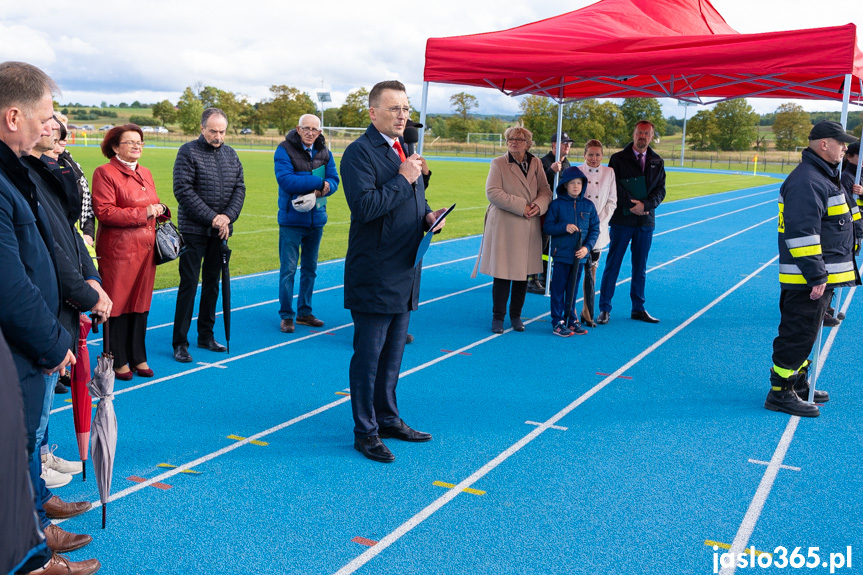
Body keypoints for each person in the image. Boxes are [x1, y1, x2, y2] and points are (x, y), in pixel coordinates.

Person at [0, 60, 100, 575]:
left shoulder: (18, 170)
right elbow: (8, 281)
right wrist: (51, 341)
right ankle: (31, 560)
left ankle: (35, 542)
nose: (51, 127)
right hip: (19, 346)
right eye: (45, 117)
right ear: (14, 116)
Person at [340, 80, 447, 463]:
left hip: (406, 268)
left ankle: (387, 418)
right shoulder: (358, 154)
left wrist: (429, 216)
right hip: (376, 271)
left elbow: (413, 199)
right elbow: (366, 208)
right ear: (372, 113)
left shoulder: (406, 150)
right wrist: (404, 177)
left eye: (405, 109)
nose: (403, 115)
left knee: (393, 355)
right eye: (394, 109)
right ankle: (365, 431)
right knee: (369, 358)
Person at [766, 121, 860, 418]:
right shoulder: (808, 180)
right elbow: (802, 234)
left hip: (818, 274)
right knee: (798, 333)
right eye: (841, 142)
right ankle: (780, 392)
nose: (845, 148)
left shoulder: (824, 176)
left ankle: (797, 381)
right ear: (823, 144)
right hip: (807, 277)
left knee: (809, 333)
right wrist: (817, 275)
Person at [92, 124, 166, 381]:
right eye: (131, 142)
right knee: (118, 305)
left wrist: (160, 208)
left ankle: (138, 356)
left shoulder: (145, 172)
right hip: (119, 252)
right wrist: (144, 212)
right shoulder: (105, 172)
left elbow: (151, 202)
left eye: (140, 142)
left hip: (146, 250)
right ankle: (117, 358)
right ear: (115, 146)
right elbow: (105, 212)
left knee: (140, 305)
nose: (137, 146)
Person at [172, 108, 246, 363]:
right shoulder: (187, 151)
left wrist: (227, 217)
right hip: (194, 231)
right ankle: (180, 342)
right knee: (189, 285)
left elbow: (239, 188)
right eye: (213, 131)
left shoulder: (231, 154)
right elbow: (182, 190)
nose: (218, 136)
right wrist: (212, 217)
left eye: (222, 131)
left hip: (221, 232)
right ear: (202, 128)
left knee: (213, 285)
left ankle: (206, 335)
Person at [473, 125, 552, 334]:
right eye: (510, 139)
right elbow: (492, 192)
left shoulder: (535, 163)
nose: (514, 142)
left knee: (522, 275)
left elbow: (545, 189)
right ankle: (497, 318)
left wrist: (538, 205)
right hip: (506, 224)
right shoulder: (498, 163)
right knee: (502, 274)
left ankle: (516, 316)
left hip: (528, 225)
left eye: (518, 139)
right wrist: (521, 206)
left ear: (528, 143)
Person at [597, 120, 666, 325]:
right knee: (613, 264)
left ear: (651, 136)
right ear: (633, 134)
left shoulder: (657, 160)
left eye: (646, 133)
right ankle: (604, 309)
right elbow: (614, 186)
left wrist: (645, 206)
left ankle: (638, 308)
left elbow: (661, 190)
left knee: (640, 267)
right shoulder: (618, 158)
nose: (642, 136)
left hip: (645, 221)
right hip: (623, 220)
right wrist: (631, 204)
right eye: (639, 132)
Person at [275, 114, 339, 334]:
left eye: (315, 129)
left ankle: (304, 312)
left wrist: (329, 185)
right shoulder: (284, 149)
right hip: (292, 220)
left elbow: (335, 179)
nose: (311, 132)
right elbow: (286, 179)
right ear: (298, 129)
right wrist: (319, 181)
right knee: (288, 270)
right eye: (307, 128)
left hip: (316, 219)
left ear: (320, 132)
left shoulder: (325, 151)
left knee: (310, 270)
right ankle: (286, 316)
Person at [543, 167, 599, 336]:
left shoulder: (589, 206)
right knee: (559, 289)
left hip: (579, 257)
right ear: (565, 185)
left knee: (573, 289)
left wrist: (586, 248)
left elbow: (594, 229)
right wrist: (564, 227)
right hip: (561, 255)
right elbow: (548, 227)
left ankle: (571, 319)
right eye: (572, 183)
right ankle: (558, 321)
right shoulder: (556, 205)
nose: (576, 186)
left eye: (579, 183)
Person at [527, 131, 574, 294]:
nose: (568, 145)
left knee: (550, 249)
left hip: (558, 213)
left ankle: (544, 277)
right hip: (544, 212)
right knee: (539, 245)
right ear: (554, 145)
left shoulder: (567, 164)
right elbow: (535, 186)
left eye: (569, 143)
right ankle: (531, 279)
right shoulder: (542, 163)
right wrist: (551, 171)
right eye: (564, 142)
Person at [579, 139, 617, 327]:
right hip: (578, 229)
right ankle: (569, 312)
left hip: (598, 230)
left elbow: (612, 201)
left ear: (602, 156)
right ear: (584, 155)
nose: (594, 158)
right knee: (575, 272)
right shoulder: (577, 172)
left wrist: (598, 222)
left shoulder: (609, 173)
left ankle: (587, 310)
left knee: (591, 273)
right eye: (591, 154)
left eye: (598, 154)